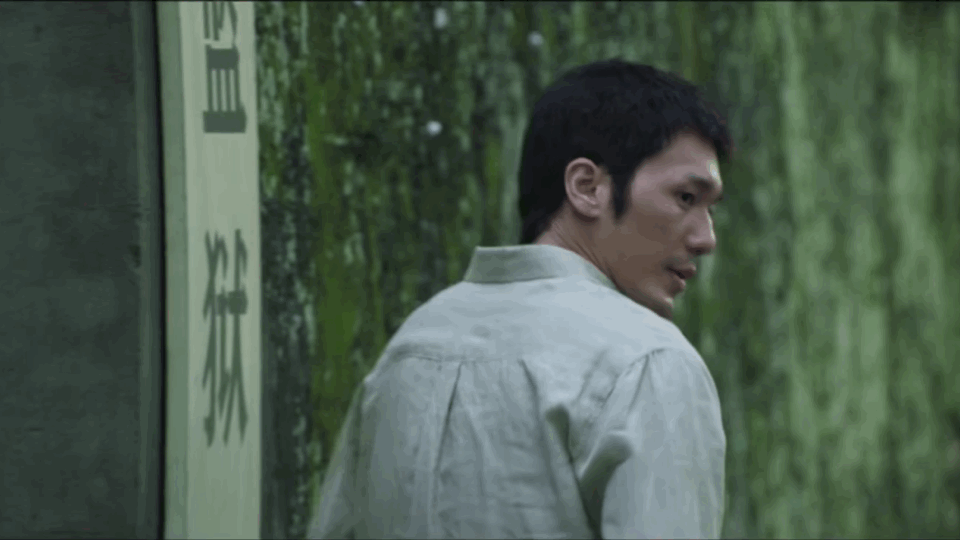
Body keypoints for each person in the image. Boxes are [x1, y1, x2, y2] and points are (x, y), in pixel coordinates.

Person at [308, 59, 733, 539]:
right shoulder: (648, 361)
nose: (706, 239)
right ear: (587, 187)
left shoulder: (410, 347)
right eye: (685, 198)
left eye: (710, 210)